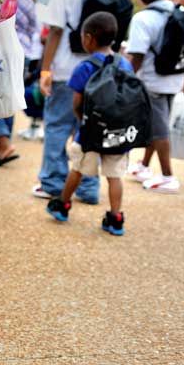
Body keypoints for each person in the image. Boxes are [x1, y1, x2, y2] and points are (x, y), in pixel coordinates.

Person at [46, 12, 132, 236]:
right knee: (115, 175)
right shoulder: (124, 64)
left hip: (90, 132)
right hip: (117, 133)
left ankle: (63, 204)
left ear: (89, 38)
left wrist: (79, 122)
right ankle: (115, 218)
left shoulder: (85, 67)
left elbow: (77, 102)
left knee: (77, 169)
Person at [33, 0, 100, 204]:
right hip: (97, 71)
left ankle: (52, 183)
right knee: (90, 129)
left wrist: (45, 69)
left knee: (57, 127)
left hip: (65, 71)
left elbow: (55, 32)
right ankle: (90, 187)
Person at [126, 0, 184, 194]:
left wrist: (123, 78)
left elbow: (136, 56)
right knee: (158, 125)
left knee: (159, 129)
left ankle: (167, 176)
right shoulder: (178, 12)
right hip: (174, 78)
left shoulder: (143, 18)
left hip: (153, 81)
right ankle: (144, 166)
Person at [16, 0, 44, 141]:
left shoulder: (28, 8)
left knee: (31, 94)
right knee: (29, 93)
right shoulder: (39, 10)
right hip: (35, 56)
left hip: (32, 57)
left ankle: (36, 126)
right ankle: (34, 126)